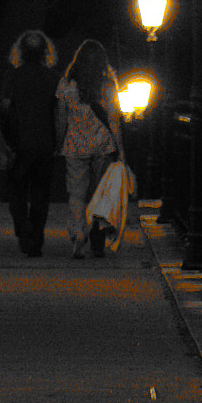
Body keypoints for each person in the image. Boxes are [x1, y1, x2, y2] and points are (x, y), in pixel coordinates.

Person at [55, 39, 124, 259]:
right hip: (103, 145)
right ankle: (97, 242)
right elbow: (114, 120)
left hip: (75, 145)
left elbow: (61, 117)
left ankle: (78, 234)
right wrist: (120, 149)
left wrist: (59, 142)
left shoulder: (67, 85)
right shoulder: (108, 87)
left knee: (76, 193)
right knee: (99, 194)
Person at [0, 28, 58, 256]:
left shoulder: (12, 76)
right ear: (45, 52)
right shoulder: (53, 78)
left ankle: (24, 228)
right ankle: (36, 240)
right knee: (41, 194)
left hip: (19, 144)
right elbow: (59, 112)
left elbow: (5, 108)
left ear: (20, 51)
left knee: (17, 192)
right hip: (46, 143)